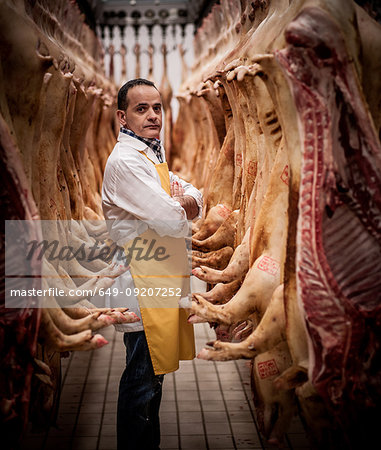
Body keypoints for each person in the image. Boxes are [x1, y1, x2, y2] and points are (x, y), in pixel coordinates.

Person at [101, 78, 203, 450]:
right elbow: (170, 218)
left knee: (153, 378)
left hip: (156, 279)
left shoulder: (150, 155)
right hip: (142, 284)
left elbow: (194, 194)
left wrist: (186, 202)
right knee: (142, 379)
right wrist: (183, 206)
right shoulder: (127, 161)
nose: (153, 115)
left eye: (157, 107)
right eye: (141, 109)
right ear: (122, 117)